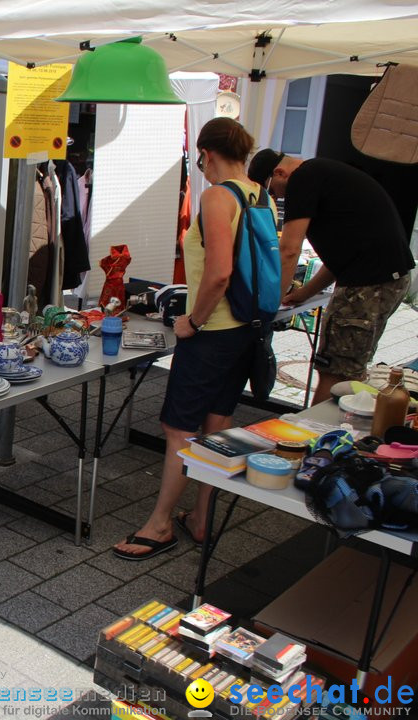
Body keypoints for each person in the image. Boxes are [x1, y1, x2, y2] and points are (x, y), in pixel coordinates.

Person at [113, 118, 277, 561]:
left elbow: (220, 272)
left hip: (214, 332)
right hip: (246, 330)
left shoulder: (216, 195)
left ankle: (160, 524)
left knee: (178, 430)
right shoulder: (259, 194)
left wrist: (194, 322)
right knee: (216, 426)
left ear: (206, 153)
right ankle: (202, 518)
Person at [248, 149, 415, 405]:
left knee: (335, 370)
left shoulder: (303, 179)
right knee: (347, 365)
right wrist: (304, 293)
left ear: (279, 173)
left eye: (272, 190)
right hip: (384, 279)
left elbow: (289, 249)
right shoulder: (325, 173)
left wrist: (272, 302)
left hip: (369, 284)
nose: (276, 197)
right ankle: (333, 428)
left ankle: (317, 435)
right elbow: (342, 258)